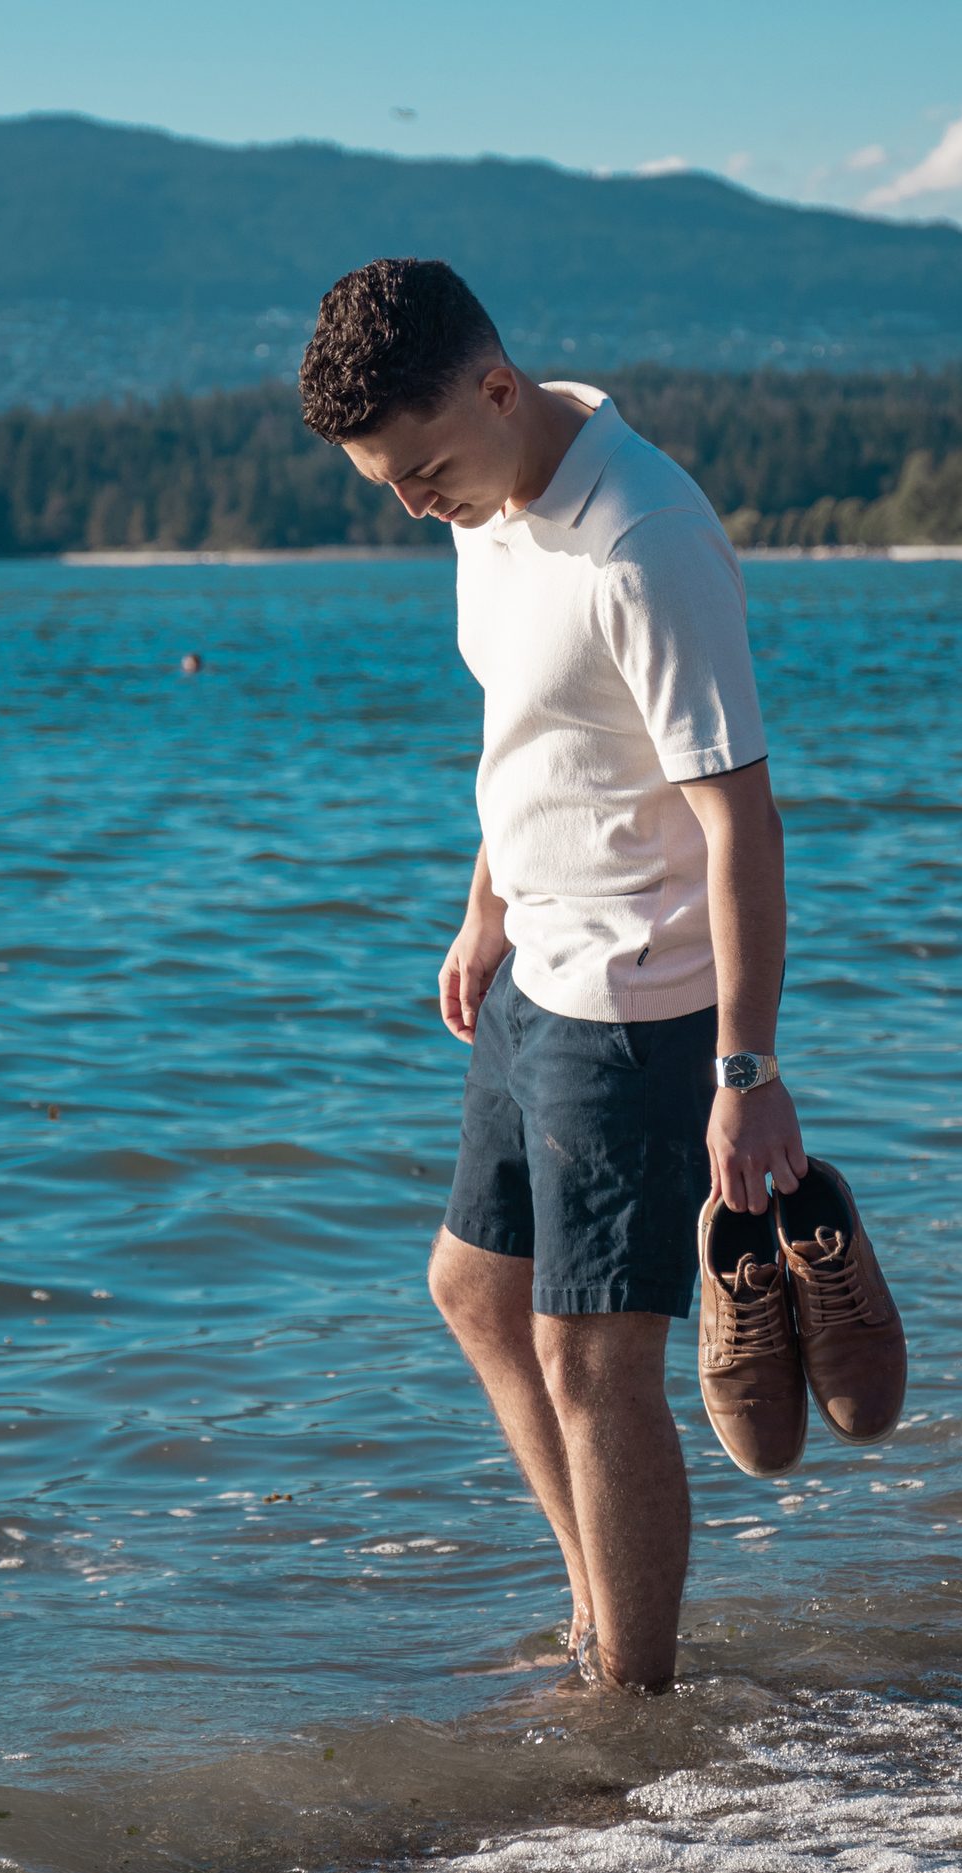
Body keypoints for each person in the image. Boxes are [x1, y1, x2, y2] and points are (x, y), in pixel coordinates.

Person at [297, 257, 808, 1694]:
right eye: (385, 482)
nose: (410, 505)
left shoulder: (645, 540)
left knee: (595, 1362)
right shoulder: (489, 498)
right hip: (535, 968)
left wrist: (748, 1074)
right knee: (472, 1291)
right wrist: (486, 906)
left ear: (499, 387)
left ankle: (632, 1706)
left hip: (641, 1006)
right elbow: (537, 735)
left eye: (422, 470)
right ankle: (596, 1612)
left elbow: (740, 822)